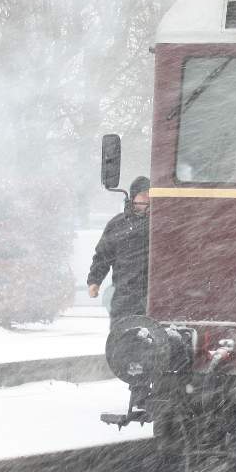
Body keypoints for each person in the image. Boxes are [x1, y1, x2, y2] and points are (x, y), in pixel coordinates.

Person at [88, 176, 151, 416]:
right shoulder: (117, 225)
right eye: (143, 196)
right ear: (132, 198)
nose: (147, 201)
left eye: (151, 196)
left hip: (155, 295)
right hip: (126, 295)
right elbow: (102, 256)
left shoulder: (164, 223)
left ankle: (147, 390)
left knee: (152, 344)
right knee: (128, 345)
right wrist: (94, 280)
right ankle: (139, 390)